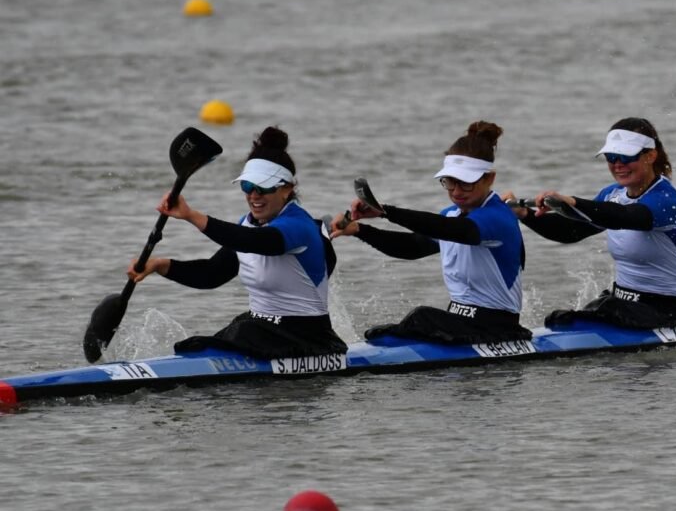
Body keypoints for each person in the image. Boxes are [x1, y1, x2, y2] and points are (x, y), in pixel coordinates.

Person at [128, 126, 348, 358]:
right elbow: (212, 274)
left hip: (308, 337)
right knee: (203, 343)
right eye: (247, 186)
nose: (254, 195)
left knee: (240, 331)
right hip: (265, 329)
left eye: (263, 187)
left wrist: (191, 215)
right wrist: (159, 265)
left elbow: (255, 242)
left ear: (287, 189)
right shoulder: (247, 224)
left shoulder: (299, 226)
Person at [331, 121, 531, 345]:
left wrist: (385, 211)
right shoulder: (450, 215)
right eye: (450, 182)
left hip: (498, 329)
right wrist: (359, 230)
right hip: (460, 323)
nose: (456, 191)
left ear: (489, 178)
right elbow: (413, 247)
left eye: (466, 184)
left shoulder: (497, 218)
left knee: (421, 316)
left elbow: (454, 230)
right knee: (404, 326)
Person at [505, 117, 676, 330]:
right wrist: (525, 214)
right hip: (624, 304)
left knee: (568, 321)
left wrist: (570, 201)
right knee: (560, 321)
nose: (618, 164)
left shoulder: (666, 199)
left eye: (626, 156)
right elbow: (570, 231)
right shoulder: (612, 194)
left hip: (667, 312)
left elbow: (622, 216)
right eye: (611, 157)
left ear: (650, 155)